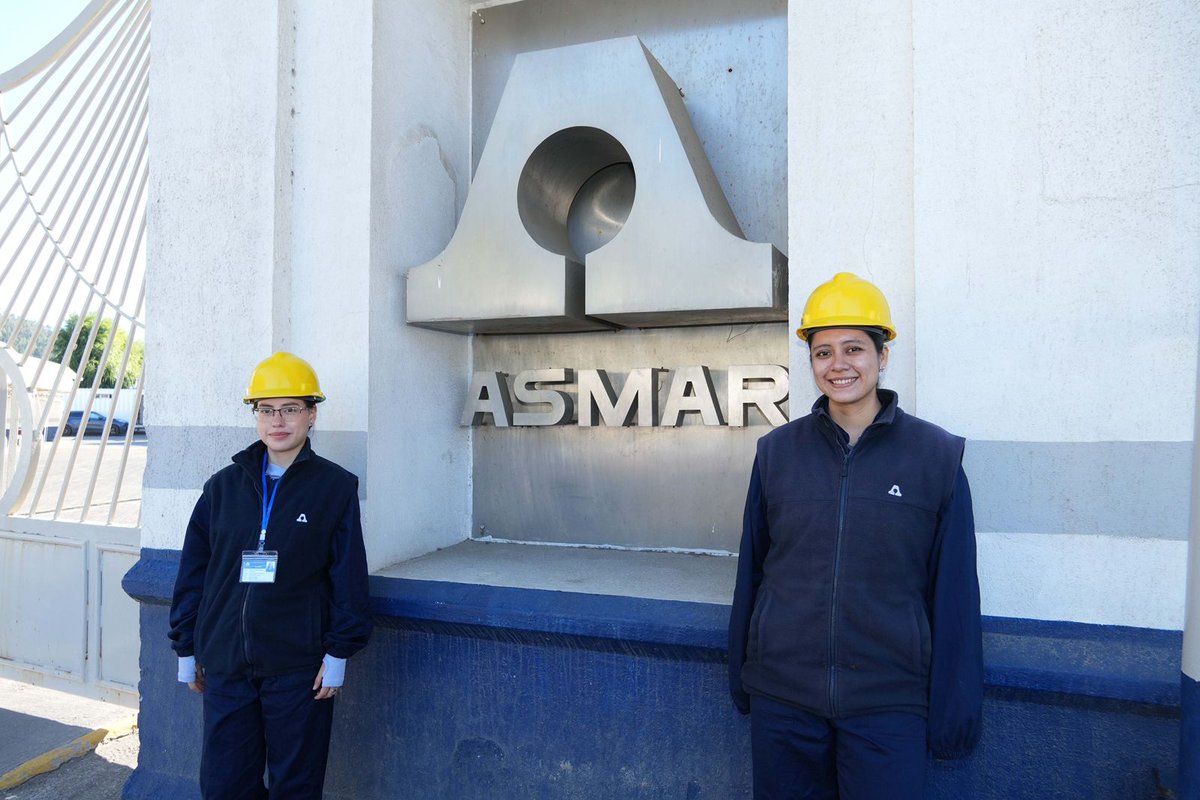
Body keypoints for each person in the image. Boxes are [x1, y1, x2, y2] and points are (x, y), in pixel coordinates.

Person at [728, 273, 983, 799]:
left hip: (887, 707)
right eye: (823, 352)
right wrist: (744, 674)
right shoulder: (777, 453)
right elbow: (751, 570)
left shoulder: (935, 458)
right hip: (784, 701)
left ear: (882, 355)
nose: (838, 365)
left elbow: (955, 591)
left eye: (853, 349)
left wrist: (953, 711)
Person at [168, 351, 372, 800]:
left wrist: (339, 653)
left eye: (290, 409)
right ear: (256, 416)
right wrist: (186, 645)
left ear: (311, 414)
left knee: (295, 787)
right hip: (225, 666)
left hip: (299, 671)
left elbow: (348, 576)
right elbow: (194, 571)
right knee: (224, 786)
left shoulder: (335, 487)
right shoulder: (221, 487)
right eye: (266, 410)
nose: (277, 421)